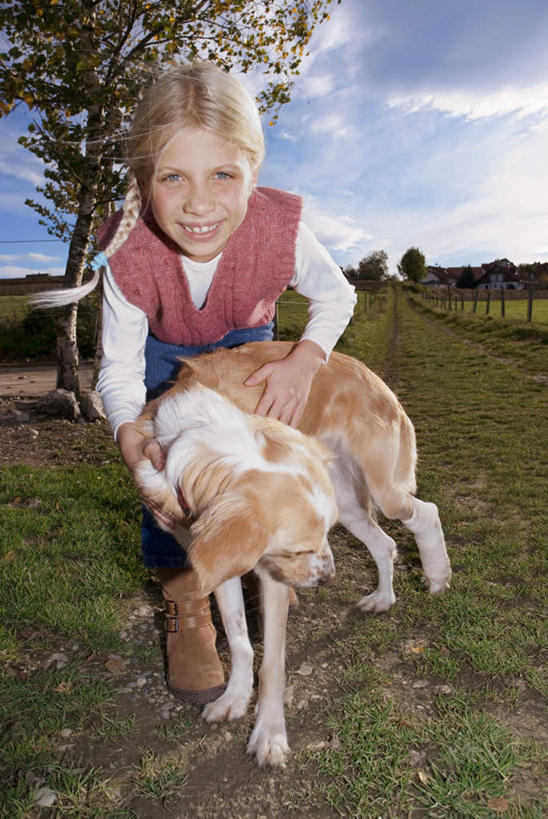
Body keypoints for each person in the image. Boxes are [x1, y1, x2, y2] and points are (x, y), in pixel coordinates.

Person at [94, 62, 356, 705]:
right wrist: (132, 433)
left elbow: (337, 295)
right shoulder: (128, 253)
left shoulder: (279, 230)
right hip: (165, 361)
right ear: (144, 180)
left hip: (249, 355)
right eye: (173, 177)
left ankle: (269, 556)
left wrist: (302, 362)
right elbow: (119, 370)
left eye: (223, 175)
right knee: (173, 489)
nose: (200, 202)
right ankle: (189, 602)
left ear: (253, 175)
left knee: (257, 471)